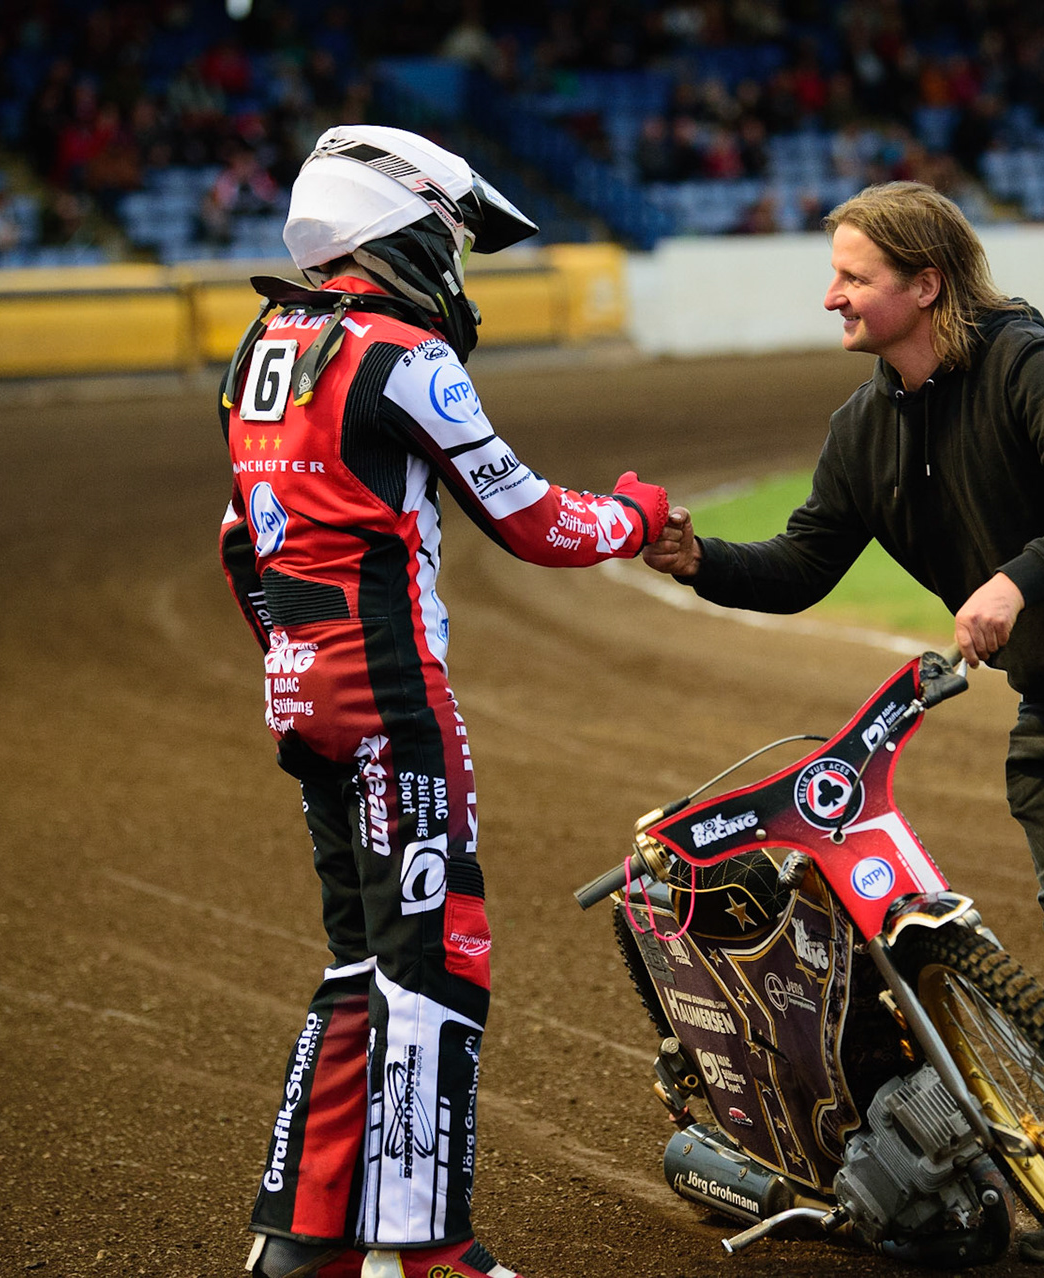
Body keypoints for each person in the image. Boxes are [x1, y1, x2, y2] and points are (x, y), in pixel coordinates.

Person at [641, 181, 1044, 1268]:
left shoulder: (1027, 366)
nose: (831, 295)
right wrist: (702, 561)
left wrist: (1020, 579)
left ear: (926, 284)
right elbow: (801, 565)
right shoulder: (863, 429)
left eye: (854, 276)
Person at [220, 125, 671, 1278]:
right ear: (405, 226)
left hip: (302, 688)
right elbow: (532, 520)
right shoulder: (402, 355)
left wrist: (294, 659)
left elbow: (238, 543)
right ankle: (425, 1252)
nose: (457, 264)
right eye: (452, 239)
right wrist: (635, 515)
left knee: (358, 959)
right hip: (389, 693)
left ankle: (301, 1241)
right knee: (436, 958)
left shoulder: (266, 344)